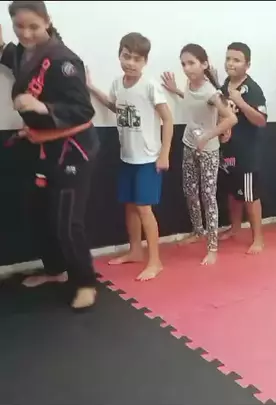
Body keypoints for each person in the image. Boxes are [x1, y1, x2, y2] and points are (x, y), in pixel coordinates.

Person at [1, 0, 99, 308]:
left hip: (73, 149)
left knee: (67, 220)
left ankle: (85, 283)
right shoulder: (23, 51)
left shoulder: (64, 60)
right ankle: (56, 270)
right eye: (19, 26)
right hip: (42, 147)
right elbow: (12, 57)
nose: (26, 33)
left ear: (47, 21)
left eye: (33, 26)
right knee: (40, 213)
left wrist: (42, 107)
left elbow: (84, 110)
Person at [87, 32, 173, 281]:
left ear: (145, 61)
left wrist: (164, 154)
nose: (130, 63)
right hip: (127, 156)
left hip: (148, 159)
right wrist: (91, 87)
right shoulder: (117, 83)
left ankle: (155, 261)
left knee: (145, 209)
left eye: (137, 59)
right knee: (130, 206)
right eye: (126, 57)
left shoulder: (150, 86)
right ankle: (135, 250)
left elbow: (168, 119)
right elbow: (115, 106)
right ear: (119, 56)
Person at [161, 44, 238, 266]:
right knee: (189, 191)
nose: (186, 68)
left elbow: (231, 118)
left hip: (208, 151)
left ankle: (212, 247)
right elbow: (193, 101)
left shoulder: (211, 92)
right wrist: (176, 90)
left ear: (204, 64)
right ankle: (198, 231)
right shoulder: (190, 84)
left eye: (191, 63)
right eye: (183, 64)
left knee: (208, 196)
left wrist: (208, 135)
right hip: (189, 144)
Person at [215, 42, 268, 254]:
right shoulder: (225, 85)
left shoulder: (252, 89)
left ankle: (258, 239)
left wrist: (242, 103)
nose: (231, 63)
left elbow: (262, 120)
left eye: (236, 60)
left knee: (250, 196)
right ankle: (235, 227)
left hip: (247, 153)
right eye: (228, 59)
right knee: (231, 192)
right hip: (228, 150)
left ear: (247, 65)